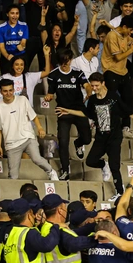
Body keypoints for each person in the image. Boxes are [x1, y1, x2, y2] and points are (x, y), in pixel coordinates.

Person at [55, 73, 133, 199]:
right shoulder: (93, 101)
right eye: (92, 86)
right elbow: (86, 114)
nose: (94, 88)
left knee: (114, 166)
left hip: (114, 137)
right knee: (90, 161)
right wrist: (68, 111)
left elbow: (129, 112)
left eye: (96, 85)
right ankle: (103, 165)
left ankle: (120, 193)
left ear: (103, 83)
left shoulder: (113, 97)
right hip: (100, 137)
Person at [0, 79, 57, 181]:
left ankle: (51, 171)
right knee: (13, 175)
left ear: (14, 90)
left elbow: (33, 116)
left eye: (10, 90)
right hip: (11, 143)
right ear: (1, 92)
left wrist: (40, 128)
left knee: (37, 159)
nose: (8, 93)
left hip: (28, 137)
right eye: (5, 91)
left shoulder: (22, 100)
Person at [47, 49, 91, 180]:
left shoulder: (78, 73)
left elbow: (87, 85)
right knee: (63, 141)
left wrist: (89, 92)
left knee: (87, 139)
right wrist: (48, 97)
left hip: (78, 110)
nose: (65, 65)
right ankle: (65, 170)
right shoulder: (53, 75)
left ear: (71, 60)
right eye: (63, 62)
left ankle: (78, 143)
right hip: (63, 111)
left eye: (67, 61)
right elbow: (50, 92)